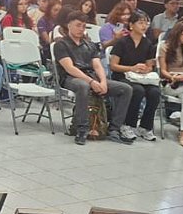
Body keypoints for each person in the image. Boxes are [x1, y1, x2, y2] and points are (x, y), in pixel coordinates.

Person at [54, 11, 135, 146]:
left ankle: (114, 128)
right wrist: (91, 81)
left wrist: (102, 82)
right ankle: (82, 128)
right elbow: (70, 68)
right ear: (69, 25)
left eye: (83, 26)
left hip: (91, 76)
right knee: (83, 86)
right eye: (78, 25)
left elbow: (97, 66)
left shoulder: (89, 45)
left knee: (125, 89)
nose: (81, 29)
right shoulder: (61, 44)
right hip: (70, 78)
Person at [109, 10, 161, 142]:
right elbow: (113, 65)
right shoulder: (122, 42)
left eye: (146, 23)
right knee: (137, 90)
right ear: (131, 25)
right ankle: (128, 125)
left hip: (140, 77)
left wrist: (146, 69)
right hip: (122, 75)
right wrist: (131, 68)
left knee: (155, 92)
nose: (144, 26)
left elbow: (150, 65)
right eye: (140, 22)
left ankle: (145, 126)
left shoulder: (148, 44)